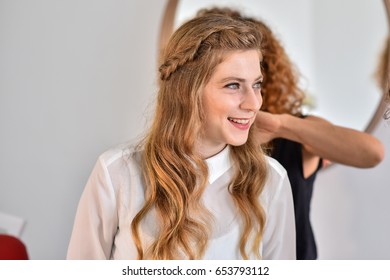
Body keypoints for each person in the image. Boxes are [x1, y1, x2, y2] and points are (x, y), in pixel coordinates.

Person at [67, 14, 296, 260]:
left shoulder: (271, 180)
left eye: (257, 84)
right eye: (233, 85)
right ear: (187, 91)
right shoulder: (118, 174)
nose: (254, 103)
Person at [196, 7, 385, 260]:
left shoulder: (293, 135)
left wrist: (281, 126)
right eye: (229, 82)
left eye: (255, 82)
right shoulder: (196, 144)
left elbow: (371, 153)